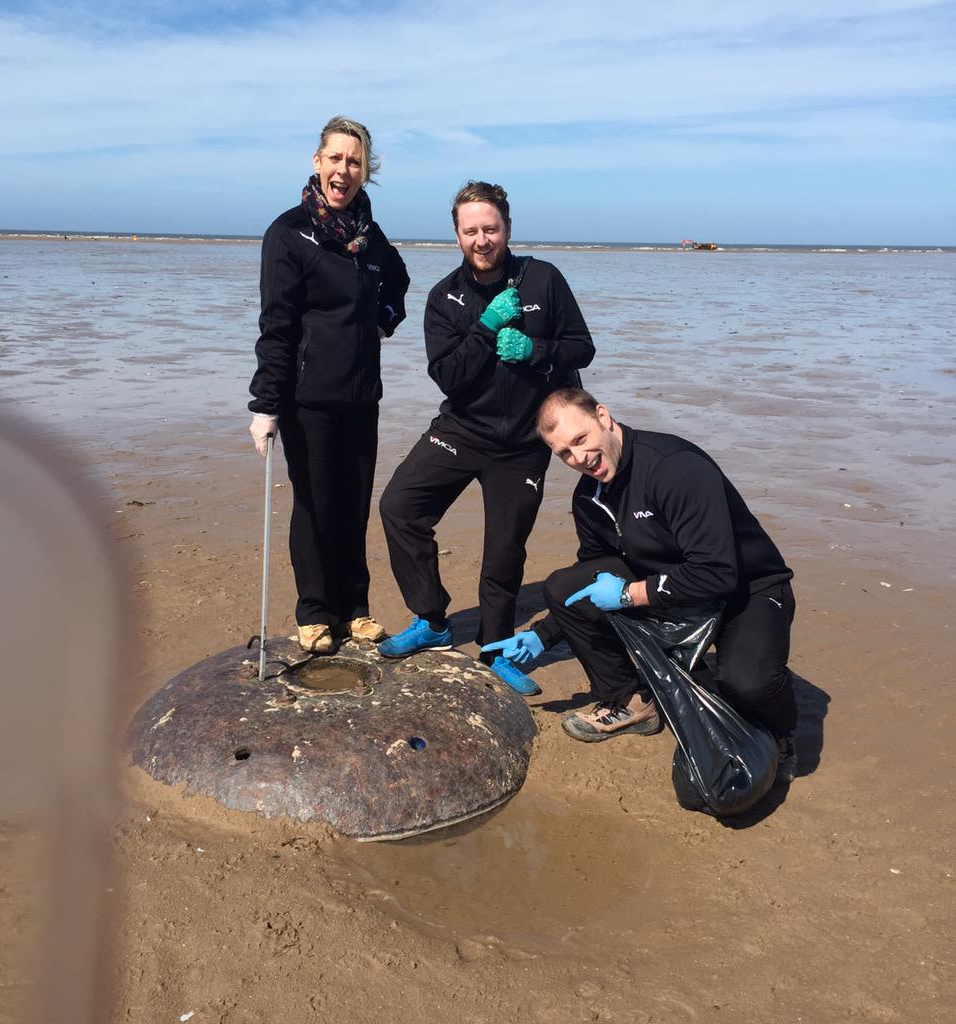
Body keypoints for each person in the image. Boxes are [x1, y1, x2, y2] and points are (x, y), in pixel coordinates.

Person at [482, 387, 799, 781]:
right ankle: (631, 700)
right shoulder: (589, 498)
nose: (579, 458)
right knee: (564, 586)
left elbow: (717, 573)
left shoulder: (675, 467)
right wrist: (541, 635)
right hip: (674, 584)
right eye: (564, 453)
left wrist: (630, 594)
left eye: (581, 439)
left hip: (746, 590)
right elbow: (589, 577)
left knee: (746, 684)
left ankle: (783, 736)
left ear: (603, 416)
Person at [377, 182, 594, 694]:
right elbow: (449, 376)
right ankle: (432, 620)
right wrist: (486, 327)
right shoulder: (443, 297)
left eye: (490, 229)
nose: (482, 239)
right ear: (457, 235)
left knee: (504, 550)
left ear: (508, 229)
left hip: (522, 443)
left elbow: (582, 348)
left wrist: (536, 350)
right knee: (399, 508)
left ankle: (495, 647)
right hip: (461, 430)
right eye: (471, 230)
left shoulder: (543, 280)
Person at [248, 116, 409, 653]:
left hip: (362, 395)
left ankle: (355, 609)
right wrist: (265, 405)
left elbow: (399, 278)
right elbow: (277, 325)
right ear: (317, 162)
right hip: (306, 398)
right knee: (316, 503)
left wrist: (380, 320)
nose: (344, 170)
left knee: (355, 501)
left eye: (355, 161)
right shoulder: (289, 232)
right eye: (335, 158)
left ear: (366, 171)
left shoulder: (369, 232)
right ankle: (315, 611)